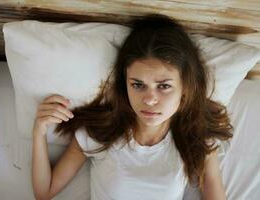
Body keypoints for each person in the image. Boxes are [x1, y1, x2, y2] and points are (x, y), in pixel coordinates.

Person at [31, 13, 233, 200]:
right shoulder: (99, 133)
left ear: (185, 88)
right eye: (138, 85)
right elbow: (44, 191)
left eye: (164, 86)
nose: (149, 99)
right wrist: (39, 131)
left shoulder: (196, 141)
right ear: (125, 84)